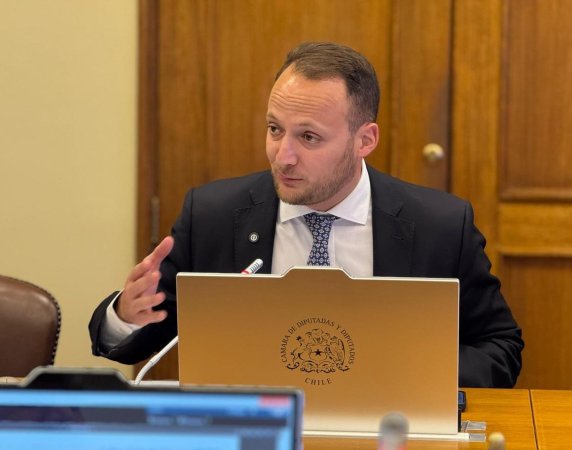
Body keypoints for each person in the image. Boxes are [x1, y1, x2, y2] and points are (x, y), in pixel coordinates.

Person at [89, 42, 523, 388]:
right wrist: (124, 315)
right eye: (274, 129)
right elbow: (132, 343)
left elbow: (500, 347)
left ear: (365, 140)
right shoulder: (213, 215)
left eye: (309, 137)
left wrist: (407, 374)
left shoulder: (439, 226)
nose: (284, 156)